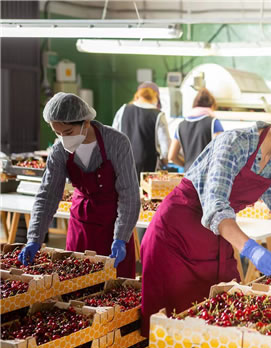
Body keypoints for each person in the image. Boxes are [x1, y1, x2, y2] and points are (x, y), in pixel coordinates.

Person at [140, 98, 271, 335]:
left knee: (220, 314)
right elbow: (216, 206)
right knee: (172, 322)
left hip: (218, 236)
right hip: (177, 232)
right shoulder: (234, 143)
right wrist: (251, 249)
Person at [19, 92, 140, 278]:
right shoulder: (59, 151)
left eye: (68, 133)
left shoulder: (116, 142)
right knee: (76, 285)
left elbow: (129, 195)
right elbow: (47, 196)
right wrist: (34, 238)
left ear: (86, 122)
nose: (64, 139)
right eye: (57, 133)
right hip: (80, 227)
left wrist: (121, 238)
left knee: (114, 292)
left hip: (113, 226)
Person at [113, 82, 171, 179]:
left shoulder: (123, 110)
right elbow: (165, 146)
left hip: (124, 166)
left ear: (137, 96)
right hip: (149, 169)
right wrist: (165, 162)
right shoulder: (158, 115)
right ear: (156, 98)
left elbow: (113, 138)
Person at [168, 88, 224, 170]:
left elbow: (171, 156)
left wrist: (186, 165)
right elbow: (221, 150)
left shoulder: (181, 125)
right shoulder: (213, 122)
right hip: (207, 175)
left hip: (188, 175)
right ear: (212, 106)